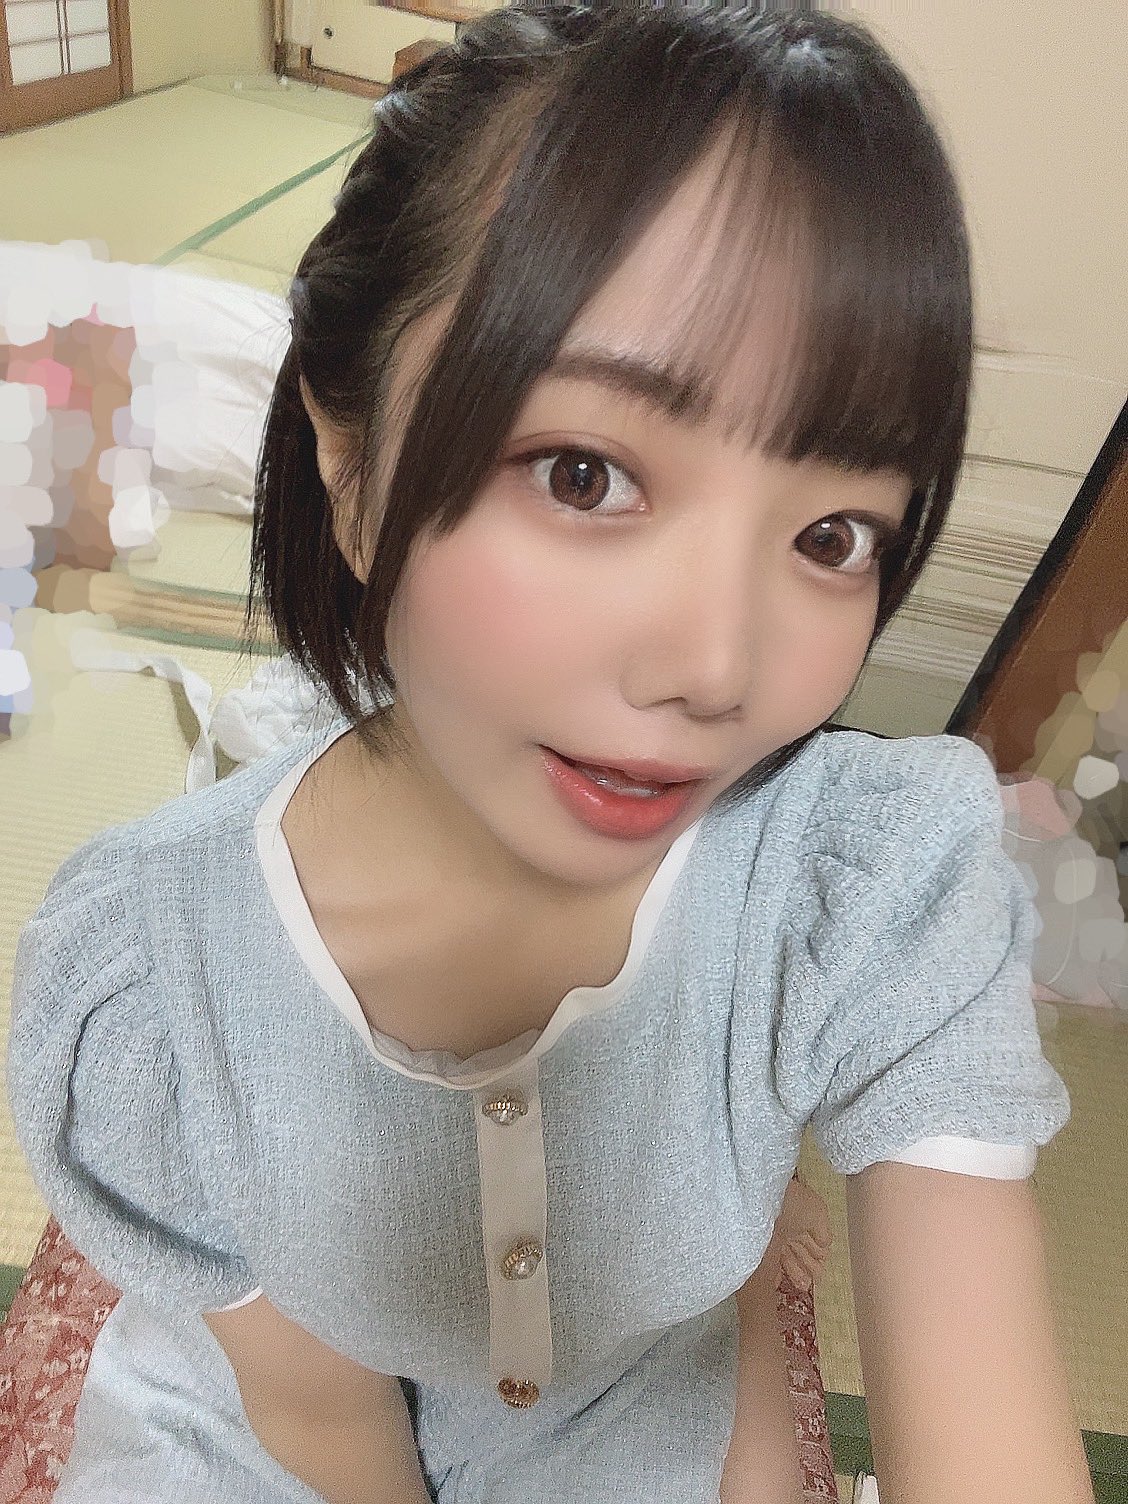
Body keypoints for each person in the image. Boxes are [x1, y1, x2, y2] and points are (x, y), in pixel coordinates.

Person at [7, 5, 1091, 1502]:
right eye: (584, 475)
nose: (718, 669)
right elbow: (319, 1413)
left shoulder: (867, 887)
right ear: (348, 461)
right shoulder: (153, 973)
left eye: (834, 536)